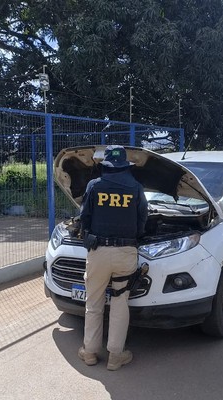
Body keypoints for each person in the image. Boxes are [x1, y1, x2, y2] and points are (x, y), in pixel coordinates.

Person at [78, 145, 148, 371]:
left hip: (98, 252)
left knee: (94, 302)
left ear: (106, 165)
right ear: (125, 166)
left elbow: (84, 218)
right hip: (125, 253)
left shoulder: (94, 186)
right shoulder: (136, 188)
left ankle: (89, 352)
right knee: (119, 303)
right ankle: (116, 356)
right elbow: (142, 221)